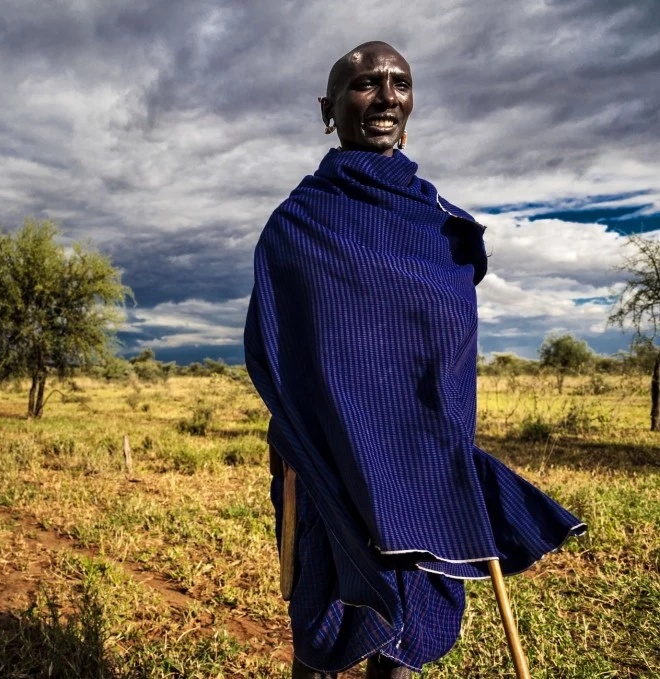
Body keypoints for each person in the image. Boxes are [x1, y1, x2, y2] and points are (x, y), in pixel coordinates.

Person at [243, 42, 586, 678]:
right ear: (329, 108)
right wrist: (310, 431)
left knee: (410, 626)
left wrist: (446, 426)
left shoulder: (437, 223)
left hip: (423, 456)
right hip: (329, 454)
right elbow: (281, 350)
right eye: (364, 84)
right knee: (324, 622)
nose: (386, 97)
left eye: (399, 83)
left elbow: (450, 336)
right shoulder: (299, 225)